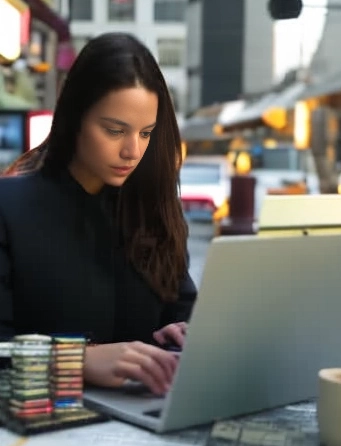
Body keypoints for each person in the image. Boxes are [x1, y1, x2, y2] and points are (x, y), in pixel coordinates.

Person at [0, 33, 197, 396]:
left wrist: (187, 331)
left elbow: (183, 309)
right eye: (114, 130)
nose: (132, 151)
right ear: (74, 118)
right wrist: (77, 360)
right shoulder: (9, 208)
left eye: (146, 133)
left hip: (143, 417)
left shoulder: (153, 210)